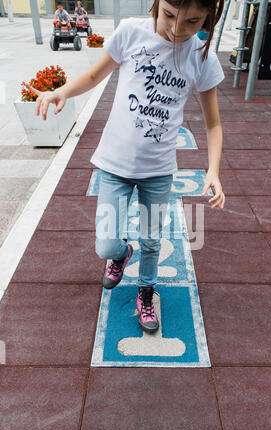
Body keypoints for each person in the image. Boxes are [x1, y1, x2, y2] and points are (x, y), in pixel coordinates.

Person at [26, 0, 226, 335]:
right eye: (169, 16)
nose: (177, 30)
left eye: (192, 21)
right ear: (156, 5)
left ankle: (146, 292)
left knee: (152, 241)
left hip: (158, 172)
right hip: (114, 166)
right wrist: (62, 92)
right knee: (105, 244)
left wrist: (214, 170)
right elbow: (93, 74)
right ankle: (121, 253)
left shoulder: (201, 57)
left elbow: (214, 123)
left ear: (209, 17)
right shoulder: (131, 33)